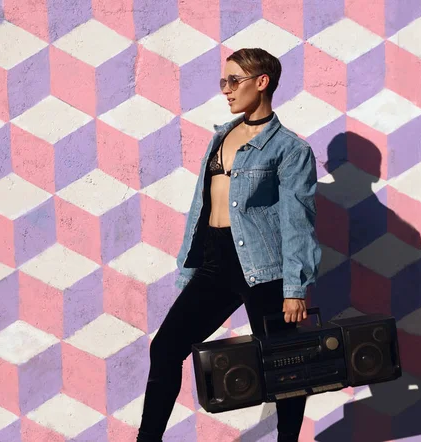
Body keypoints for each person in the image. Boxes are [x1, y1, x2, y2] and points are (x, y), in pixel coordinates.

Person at [137, 48, 322, 442]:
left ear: (262, 82)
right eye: (224, 81)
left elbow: (297, 222)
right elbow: (200, 205)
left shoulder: (290, 149)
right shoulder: (222, 135)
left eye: (234, 80)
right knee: (166, 348)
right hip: (215, 261)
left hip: (264, 268)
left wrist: (295, 288)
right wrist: (190, 264)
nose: (226, 89)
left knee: (285, 366)